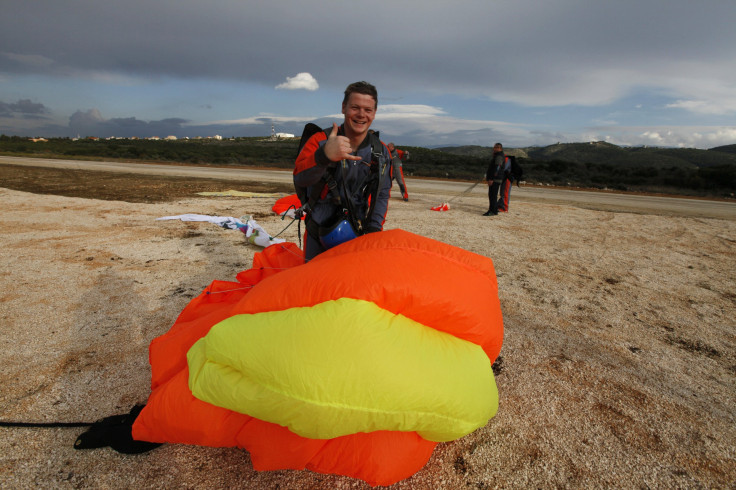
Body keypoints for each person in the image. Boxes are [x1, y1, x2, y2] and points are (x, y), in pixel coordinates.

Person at [294, 81, 392, 261]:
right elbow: (300, 178)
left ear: (374, 113)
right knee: (314, 284)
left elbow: (382, 193)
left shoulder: (380, 152)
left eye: (368, 110)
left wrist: (374, 231)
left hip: (356, 233)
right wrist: (323, 156)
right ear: (343, 108)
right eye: (355, 107)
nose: (361, 115)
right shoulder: (321, 141)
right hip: (319, 232)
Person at [483, 143, 505, 216]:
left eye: (497, 147)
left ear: (500, 148)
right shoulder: (497, 155)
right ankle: (494, 210)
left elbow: (497, 168)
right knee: (493, 195)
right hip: (496, 178)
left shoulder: (499, 156)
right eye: (494, 147)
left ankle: (492, 210)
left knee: (492, 195)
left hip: (495, 179)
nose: (495, 149)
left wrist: (491, 178)